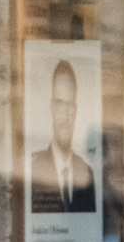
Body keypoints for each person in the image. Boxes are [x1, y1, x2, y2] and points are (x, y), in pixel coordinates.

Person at [31, 59, 96, 214]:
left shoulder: (87, 175)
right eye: (60, 104)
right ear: (52, 108)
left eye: (70, 106)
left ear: (76, 110)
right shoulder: (33, 172)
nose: (66, 116)